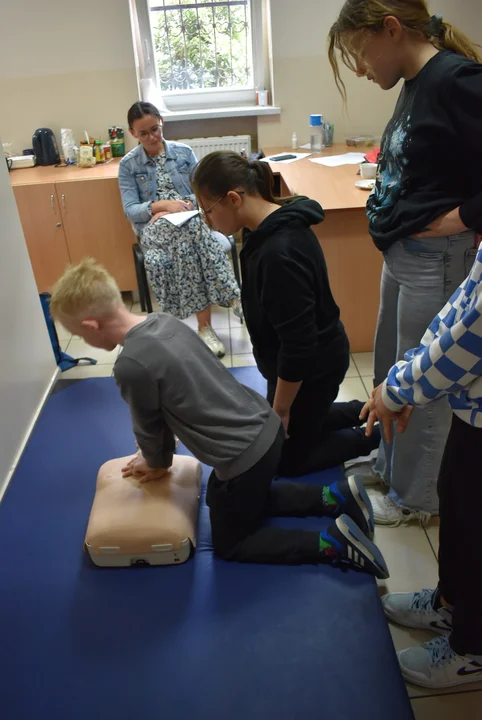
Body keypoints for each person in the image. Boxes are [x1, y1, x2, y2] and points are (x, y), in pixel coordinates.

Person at [49, 258, 389, 577]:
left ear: (91, 326)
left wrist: (155, 462)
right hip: (266, 426)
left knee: (232, 542)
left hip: (244, 455)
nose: (84, 340)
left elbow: (150, 427)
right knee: (226, 497)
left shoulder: (130, 365)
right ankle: (336, 496)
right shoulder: (164, 321)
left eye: (80, 336)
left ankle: (333, 544)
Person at [328, 1, 482, 525]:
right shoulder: (417, 82)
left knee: (425, 387)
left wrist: (462, 215)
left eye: (359, 53)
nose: (359, 69)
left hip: (436, 261)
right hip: (404, 257)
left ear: (391, 30)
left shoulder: (455, 78)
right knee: (393, 370)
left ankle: (415, 499)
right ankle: (390, 466)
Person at [192, 151, 380, 478]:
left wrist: (281, 410)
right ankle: (363, 411)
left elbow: (299, 346)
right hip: (299, 362)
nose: (207, 219)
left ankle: (374, 434)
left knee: (285, 459)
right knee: (293, 425)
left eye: (207, 209)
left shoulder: (279, 253)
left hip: (312, 367)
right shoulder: (264, 226)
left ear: (234, 198)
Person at [360, 241, 482, 689]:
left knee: (477, 531)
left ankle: (473, 648)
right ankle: (450, 603)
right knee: (457, 500)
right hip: (474, 412)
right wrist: (407, 376)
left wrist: (398, 391)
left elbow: (471, 337)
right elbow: (463, 302)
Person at [118, 101, 240, 358]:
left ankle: (200, 328)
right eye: (144, 133)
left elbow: (205, 194)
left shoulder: (183, 153)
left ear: (162, 122)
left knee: (189, 237)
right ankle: (229, 297)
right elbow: (130, 209)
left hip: (191, 220)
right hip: (154, 229)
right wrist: (160, 206)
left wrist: (182, 208)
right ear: (132, 133)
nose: (152, 137)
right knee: (192, 233)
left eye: (155, 128)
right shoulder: (128, 166)